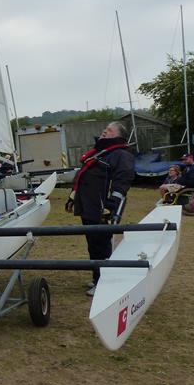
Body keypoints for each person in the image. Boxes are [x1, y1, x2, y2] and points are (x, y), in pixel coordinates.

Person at [66, 121, 134, 297]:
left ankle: (104, 282)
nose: (104, 132)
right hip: (89, 206)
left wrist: (112, 206)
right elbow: (84, 177)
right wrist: (74, 196)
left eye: (109, 130)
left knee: (101, 245)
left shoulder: (120, 155)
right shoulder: (99, 153)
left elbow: (122, 181)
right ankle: (98, 276)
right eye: (104, 129)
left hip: (103, 208)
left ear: (119, 136)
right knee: (93, 244)